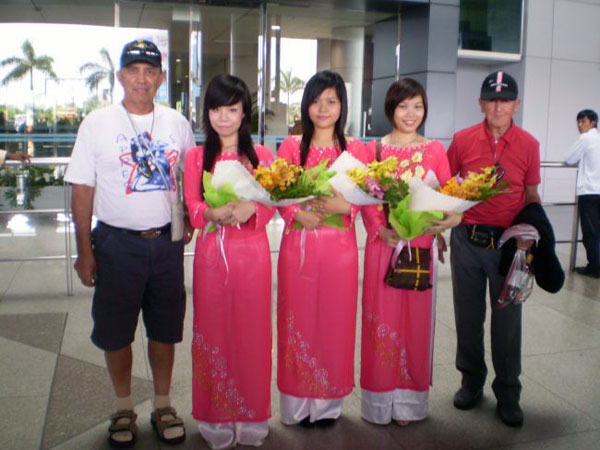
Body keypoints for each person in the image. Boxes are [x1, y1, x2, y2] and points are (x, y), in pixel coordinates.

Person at [65, 39, 195, 447]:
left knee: (165, 329)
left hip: (166, 245)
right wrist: (85, 250)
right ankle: (123, 407)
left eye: (149, 71)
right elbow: (83, 190)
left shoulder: (177, 123)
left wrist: (188, 216)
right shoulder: (97, 123)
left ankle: (162, 404)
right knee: (116, 332)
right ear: (120, 75)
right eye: (133, 70)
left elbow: (187, 179)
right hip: (116, 245)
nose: (142, 78)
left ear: (160, 78)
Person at [359, 78, 460, 426]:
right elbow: (366, 200)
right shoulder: (373, 150)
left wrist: (448, 219)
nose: (410, 113)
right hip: (384, 244)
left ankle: (409, 402)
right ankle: (379, 399)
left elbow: (447, 195)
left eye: (417, 106)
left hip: (419, 245)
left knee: (416, 323)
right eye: (403, 106)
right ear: (390, 109)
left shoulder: (435, 150)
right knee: (380, 320)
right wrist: (379, 228)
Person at [184, 74, 275, 449]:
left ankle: (251, 417)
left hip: (252, 254)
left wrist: (251, 207)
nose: (224, 117)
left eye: (232, 109)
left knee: (253, 335)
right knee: (213, 334)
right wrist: (212, 211)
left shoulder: (263, 156)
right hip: (211, 257)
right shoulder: (195, 157)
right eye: (217, 109)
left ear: (244, 113)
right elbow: (192, 208)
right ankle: (216, 417)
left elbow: (272, 207)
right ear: (208, 113)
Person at [447, 70, 541, 427]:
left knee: (507, 323)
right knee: (467, 318)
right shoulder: (463, 139)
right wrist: (439, 226)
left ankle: (508, 392)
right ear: (481, 103)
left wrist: (532, 239)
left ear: (516, 104)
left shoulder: (529, 144)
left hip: (507, 246)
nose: (498, 107)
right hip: (467, 241)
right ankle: (471, 382)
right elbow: (446, 187)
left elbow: (531, 196)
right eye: (491, 99)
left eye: (505, 100)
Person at [276, 70, 366, 426]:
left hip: (340, 249)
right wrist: (297, 212)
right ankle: (296, 406)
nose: (323, 108)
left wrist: (346, 208)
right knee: (296, 319)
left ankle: (328, 404)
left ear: (342, 105)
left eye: (330, 100)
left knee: (334, 321)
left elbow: (368, 197)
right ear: (306, 106)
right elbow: (275, 193)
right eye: (316, 100)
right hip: (299, 244)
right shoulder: (290, 146)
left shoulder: (355, 149)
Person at [564, 109, 600, 279]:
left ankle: (594, 267)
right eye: (578, 122)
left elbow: (570, 158)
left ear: (593, 122)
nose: (580, 125)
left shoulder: (586, 138)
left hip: (590, 192)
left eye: (583, 121)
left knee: (590, 231)